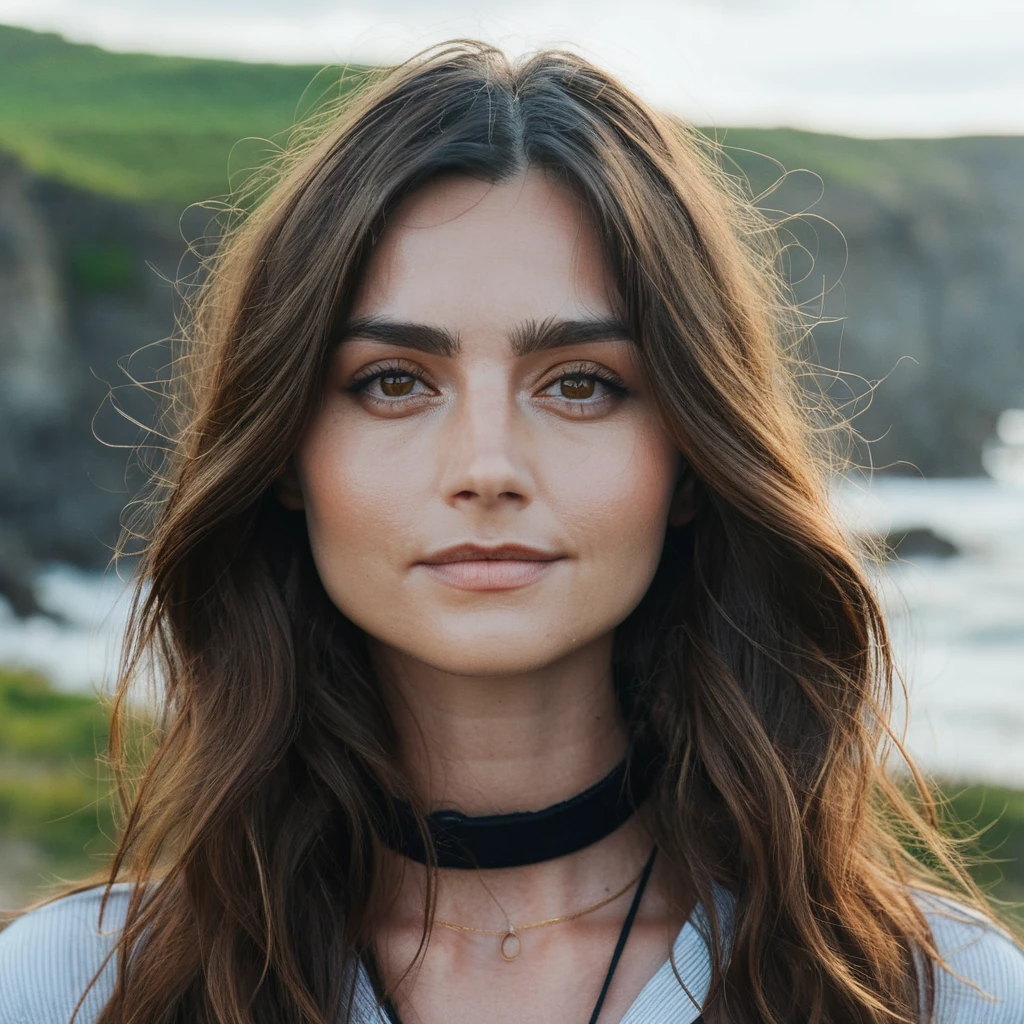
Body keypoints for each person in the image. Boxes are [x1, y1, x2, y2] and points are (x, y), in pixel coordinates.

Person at [1, 39, 1022, 1024]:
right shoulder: (70, 991)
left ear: (690, 459)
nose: (486, 466)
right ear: (283, 459)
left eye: (580, 384)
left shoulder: (943, 995)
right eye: (393, 383)